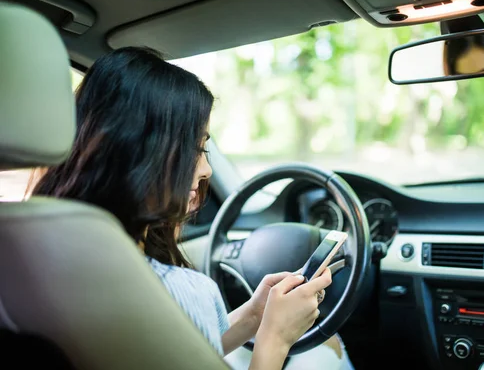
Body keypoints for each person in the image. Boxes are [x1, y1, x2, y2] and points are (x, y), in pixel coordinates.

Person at [30, 46, 354, 370]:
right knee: (329, 346)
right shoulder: (177, 289)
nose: (206, 170)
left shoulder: (30, 250)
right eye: (198, 148)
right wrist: (276, 338)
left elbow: (183, 351)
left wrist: (256, 314)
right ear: (146, 153)